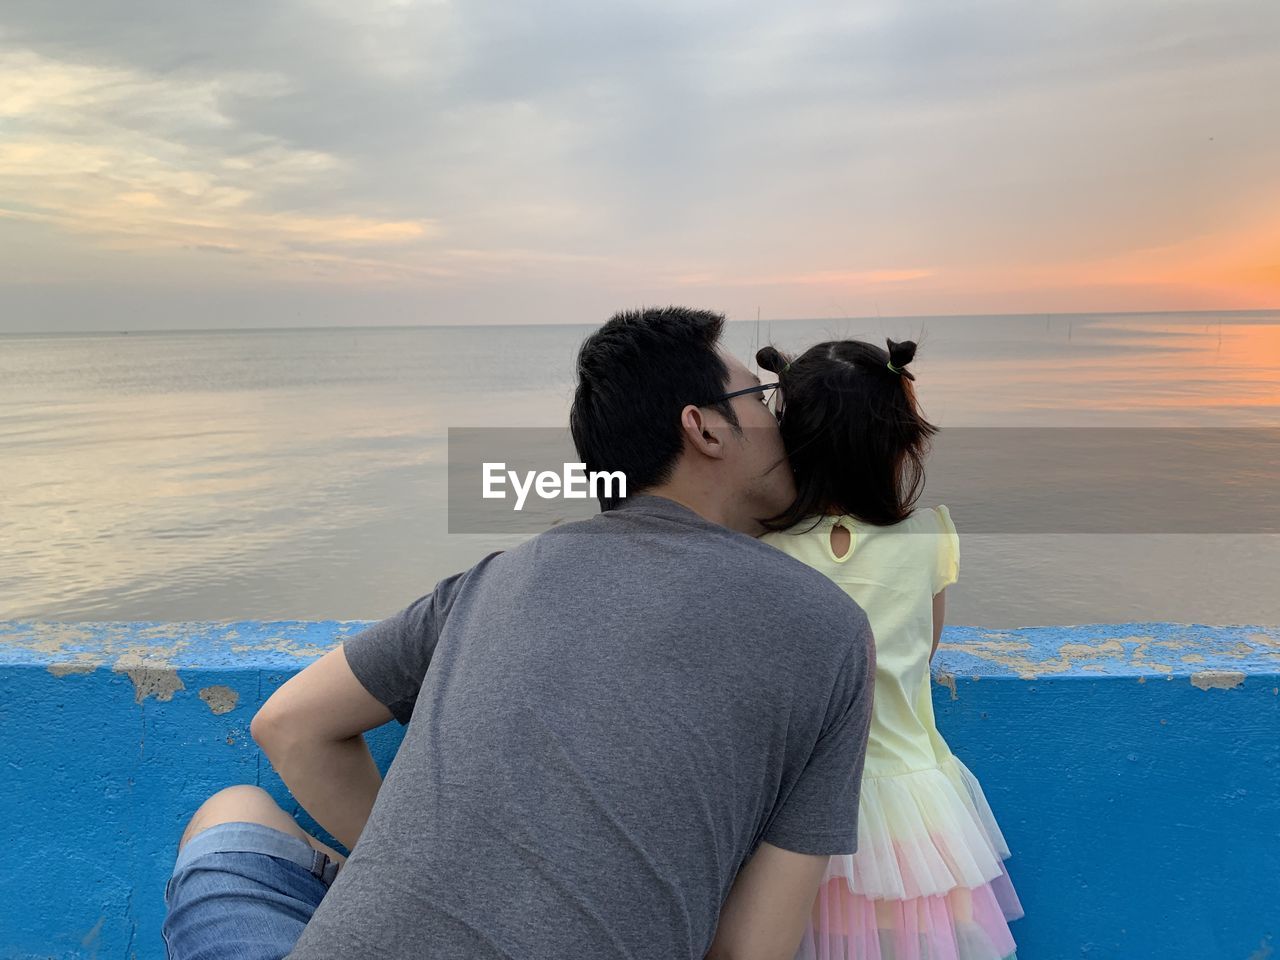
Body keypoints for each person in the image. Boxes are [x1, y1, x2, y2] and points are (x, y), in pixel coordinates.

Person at [161, 306, 877, 960]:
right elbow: (750, 951)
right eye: (760, 399)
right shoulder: (830, 631)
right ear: (706, 427)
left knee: (233, 811)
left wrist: (429, 883)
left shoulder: (493, 579)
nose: (781, 420)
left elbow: (289, 725)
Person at [754, 338, 1022, 960]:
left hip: (793, 820)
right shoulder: (928, 535)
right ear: (901, 442)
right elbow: (923, 651)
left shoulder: (753, 548)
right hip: (912, 815)